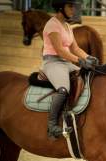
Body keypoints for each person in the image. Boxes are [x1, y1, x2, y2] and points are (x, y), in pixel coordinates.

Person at [42, 0, 98, 139]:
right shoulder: (52, 25)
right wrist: (80, 61)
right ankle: (52, 126)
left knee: (89, 76)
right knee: (63, 89)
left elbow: (75, 48)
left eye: (73, 6)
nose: (73, 9)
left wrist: (90, 58)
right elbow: (60, 50)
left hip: (65, 62)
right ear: (61, 7)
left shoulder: (67, 26)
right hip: (53, 62)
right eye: (70, 6)